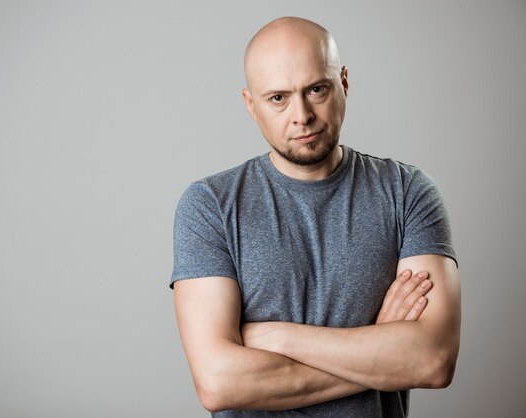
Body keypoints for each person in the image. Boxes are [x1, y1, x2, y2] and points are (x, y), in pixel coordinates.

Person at [170, 16, 460, 417]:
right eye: (278, 98)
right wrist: (378, 350)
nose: (301, 114)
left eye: (316, 89)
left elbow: (432, 360)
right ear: (251, 105)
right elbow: (219, 384)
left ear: (343, 82)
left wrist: (277, 338)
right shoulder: (210, 206)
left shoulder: (407, 192)